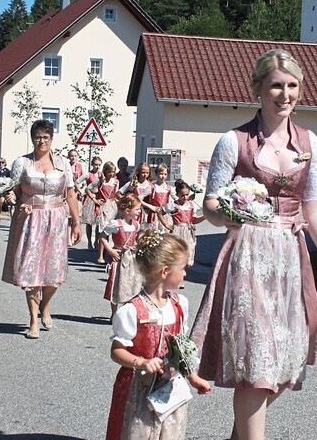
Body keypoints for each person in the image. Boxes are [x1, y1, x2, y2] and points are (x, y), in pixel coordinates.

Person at [189, 49, 317, 440]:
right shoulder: (234, 141)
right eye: (276, 85)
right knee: (255, 361)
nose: (285, 93)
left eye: (292, 85)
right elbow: (210, 204)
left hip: (290, 261)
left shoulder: (310, 143)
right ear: (258, 88)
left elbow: (314, 207)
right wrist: (236, 213)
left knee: (282, 363)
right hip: (247, 257)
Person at [106, 229, 211, 440]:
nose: (185, 273)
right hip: (139, 388)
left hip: (170, 387)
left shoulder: (179, 304)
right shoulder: (133, 309)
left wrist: (193, 377)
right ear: (165, 271)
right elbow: (117, 351)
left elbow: (180, 350)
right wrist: (141, 361)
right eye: (182, 268)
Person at [3, 119, 82, 339]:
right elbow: (14, 190)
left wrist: (76, 223)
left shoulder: (62, 163)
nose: (42, 142)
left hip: (56, 219)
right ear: (32, 139)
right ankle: (33, 320)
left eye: (46, 137)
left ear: (51, 139)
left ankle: (45, 304)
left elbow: (71, 194)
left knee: (54, 271)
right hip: (30, 219)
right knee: (31, 270)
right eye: (38, 137)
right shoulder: (23, 163)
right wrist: (11, 196)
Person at [100, 194, 143, 316]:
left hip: (132, 259)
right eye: (137, 209)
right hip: (119, 258)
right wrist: (111, 251)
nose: (139, 212)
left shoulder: (136, 224)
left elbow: (136, 239)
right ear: (127, 210)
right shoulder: (116, 224)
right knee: (117, 284)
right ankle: (114, 313)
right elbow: (102, 237)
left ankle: (126, 312)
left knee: (131, 283)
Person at [168, 180, 205, 272]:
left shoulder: (192, 205)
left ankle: (181, 274)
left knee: (186, 252)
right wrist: (167, 225)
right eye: (182, 195)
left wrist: (205, 217)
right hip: (177, 230)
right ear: (177, 194)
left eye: (187, 195)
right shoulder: (174, 205)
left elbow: (194, 220)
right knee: (176, 252)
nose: (185, 197)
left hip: (188, 231)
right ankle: (174, 273)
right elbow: (161, 212)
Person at [87, 161, 119, 264]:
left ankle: (107, 252)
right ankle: (100, 255)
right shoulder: (100, 180)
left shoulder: (116, 182)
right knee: (103, 230)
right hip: (103, 206)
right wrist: (95, 199)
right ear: (105, 171)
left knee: (110, 229)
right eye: (109, 172)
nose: (111, 174)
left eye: (113, 172)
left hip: (113, 206)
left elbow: (117, 193)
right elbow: (88, 188)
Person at [117, 162, 153, 226]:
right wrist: (127, 200)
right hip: (133, 213)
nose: (145, 175)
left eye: (147, 173)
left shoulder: (151, 186)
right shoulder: (132, 184)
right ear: (138, 172)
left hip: (146, 214)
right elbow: (118, 193)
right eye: (143, 172)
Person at [79, 157, 103, 250]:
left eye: (99, 165)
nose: (97, 167)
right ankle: (89, 242)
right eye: (96, 164)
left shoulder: (102, 175)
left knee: (99, 221)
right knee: (89, 222)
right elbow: (77, 182)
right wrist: (81, 191)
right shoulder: (88, 174)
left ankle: (96, 241)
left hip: (99, 197)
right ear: (92, 164)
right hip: (90, 197)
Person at [144, 163, 173, 231]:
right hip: (153, 216)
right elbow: (138, 199)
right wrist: (150, 206)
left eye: (165, 174)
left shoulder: (169, 188)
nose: (163, 176)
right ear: (156, 174)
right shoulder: (151, 187)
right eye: (161, 174)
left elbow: (178, 200)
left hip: (164, 216)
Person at [0, 158, 11, 222]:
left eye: (2, 162)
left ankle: (0, 214)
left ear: (5, 163)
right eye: (0, 162)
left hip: (3, 189)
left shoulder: (7, 170)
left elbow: (9, 179)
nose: (1, 164)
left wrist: (5, 183)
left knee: (2, 202)